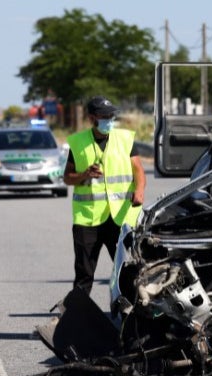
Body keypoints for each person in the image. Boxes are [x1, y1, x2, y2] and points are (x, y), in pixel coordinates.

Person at [63, 96, 146, 294]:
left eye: (111, 116)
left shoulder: (125, 139)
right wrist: (84, 175)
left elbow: (138, 170)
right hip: (88, 219)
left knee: (129, 270)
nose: (109, 120)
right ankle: (77, 316)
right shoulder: (78, 143)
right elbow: (67, 178)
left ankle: (131, 314)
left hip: (120, 217)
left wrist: (140, 191)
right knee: (84, 273)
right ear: (92, 118)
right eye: (104, 116)